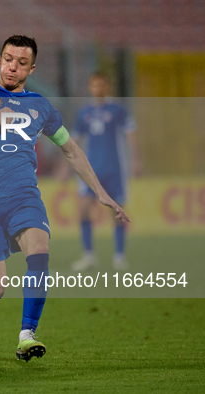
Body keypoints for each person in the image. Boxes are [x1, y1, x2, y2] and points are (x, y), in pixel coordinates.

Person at [0, 35, 129, 362]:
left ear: (31, 68)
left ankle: (27, 335)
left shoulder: (40, 106)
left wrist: (101, 192)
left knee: (39, 250)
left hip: (24, 198)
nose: (13, 67)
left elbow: (70, 149)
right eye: (9, 59)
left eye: (22, 63)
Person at [70, 72, 141, 272]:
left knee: (117, 212)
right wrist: (65, 165)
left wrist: (135, 159)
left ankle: (119, 257)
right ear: (90, 88)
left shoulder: (118, 110)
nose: (98, 89)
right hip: (90, 170)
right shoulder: (84, 112)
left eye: (101, 85)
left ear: (106, 87)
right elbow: (75, 141)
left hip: (114, 169)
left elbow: (130, 134)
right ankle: (88, 256)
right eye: (94, 85)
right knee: (83, 209)